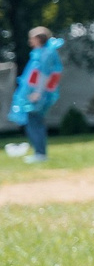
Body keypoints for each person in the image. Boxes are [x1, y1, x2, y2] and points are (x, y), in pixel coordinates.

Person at [10, 28, 60, 164]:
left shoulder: (44, 54)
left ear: (38, 39)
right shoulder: (43, 53)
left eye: (31, 38)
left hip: (38, 95)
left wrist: (37, 93)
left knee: (34, 124)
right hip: (38, 94)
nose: (29, 41)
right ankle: (40, 153)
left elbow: (43, 75)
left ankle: (40, 154)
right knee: (35, 123)